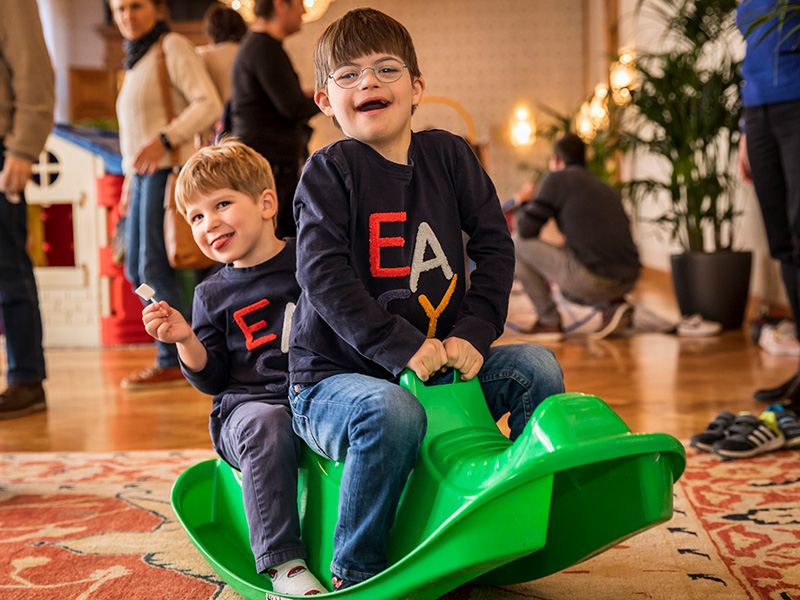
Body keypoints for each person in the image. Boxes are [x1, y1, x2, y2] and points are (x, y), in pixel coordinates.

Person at [289, 8, 565, 590]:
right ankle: (356, 569)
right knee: (391, 411)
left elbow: (494, 244)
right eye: (348, 75)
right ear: (324, 100)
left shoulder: (450, 155)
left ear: (416, 87)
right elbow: (322, 276)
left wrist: (474, 330)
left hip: (442, 361)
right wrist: (398, 347)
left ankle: (512, 512)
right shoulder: (327, 172)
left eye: (385, 69)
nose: (368, 82)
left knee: (536, 367)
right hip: (334, 379)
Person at [142, 141, 325, 596]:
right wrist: (185, 338)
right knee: (268, 421)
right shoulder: (210, 294)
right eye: (197, 217)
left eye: (222, 203)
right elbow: (212, 378)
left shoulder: (309, 261)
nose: (210, 223)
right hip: (246, 410)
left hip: (316, 395)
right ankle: (284, 564)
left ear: (266, 203)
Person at [110, 0, 222, 390]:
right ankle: (184, 353)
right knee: (138, 269)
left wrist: (164, 139)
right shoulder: (136, 59)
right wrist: (128, 183)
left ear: (158, 9)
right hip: (141, 178)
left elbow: (208, 103)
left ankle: (179, 357)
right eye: (119, 8)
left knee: (157, 268)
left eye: (136, 6)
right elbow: (135, 137)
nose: (127, 15)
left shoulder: (170, 46)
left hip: (166, 174)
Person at [512, 134, 641, 341]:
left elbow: (526, 230)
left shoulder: (557, 178)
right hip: (629, 277)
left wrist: (524, 202)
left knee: (515, 243)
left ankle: (548, 321)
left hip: (595, 278)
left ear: (555, 159)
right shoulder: (602, 184)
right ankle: (613, 305)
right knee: (565, 290)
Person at [736, 1, 800, 409]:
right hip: (758, 111)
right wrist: (745, 128)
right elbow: (755, 50)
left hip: (796, 102)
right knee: (782, 242)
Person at [0, 0, 55, 419]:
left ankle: (26, 378)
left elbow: (34, 70)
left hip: (3, 152)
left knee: (8, 270)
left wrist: (22, 149)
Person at [230, 0, 320, 239]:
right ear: (280, 5)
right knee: (280, 242)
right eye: (300, 3)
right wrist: (329, 96)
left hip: (269, 164)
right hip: (272, 169)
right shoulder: (265, 48)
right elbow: (292, 107)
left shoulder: (259, 45)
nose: (304, 10)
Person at [195, 2, 247, 146]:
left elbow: (200, 100)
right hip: (246, 128)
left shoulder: (202, 55)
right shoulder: (249, 54)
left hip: (216, 133)